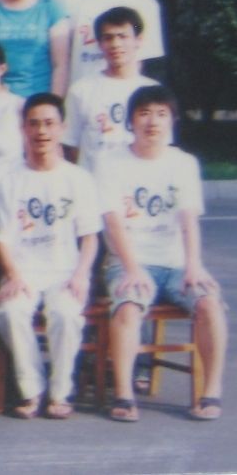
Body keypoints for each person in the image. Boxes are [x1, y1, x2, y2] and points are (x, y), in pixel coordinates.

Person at [95, 85, 226, 423]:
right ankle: (124, 395)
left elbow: (188, 220)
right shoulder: (110, 162)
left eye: (161, 114)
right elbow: (112, 222)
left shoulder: (183, 163)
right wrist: (132, 268)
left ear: (172, 120)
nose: (152, 121)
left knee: (209, 304)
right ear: (131, 121)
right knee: (127, 306)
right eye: (144, 113)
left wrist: (194, 265)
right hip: (129, 261)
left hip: (176, 264)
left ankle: (210, 393)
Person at [0, 94, 101, 420]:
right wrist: (13, 275)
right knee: (10, 312)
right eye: (34, 124)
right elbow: (2, 239)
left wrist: (81, 274)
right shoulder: (10, 180)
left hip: (65, 271)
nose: (42, 131)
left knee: (66, 314)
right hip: (23, 271)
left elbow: (90, 237)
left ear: (62, 127)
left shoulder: (78, 178)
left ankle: (60, 392)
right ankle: (32, 390)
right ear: (23, 128)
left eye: (49, 123)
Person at [63, 7, 153, 168]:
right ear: (99, 44)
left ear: (138, 40)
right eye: (108, 38)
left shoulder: (152, 91)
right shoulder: (81, 90)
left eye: (122, 36)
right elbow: (70, 146)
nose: (115, 44)